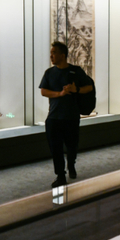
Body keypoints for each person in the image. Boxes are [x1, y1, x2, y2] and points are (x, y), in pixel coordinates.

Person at [39, 41, 94, 187]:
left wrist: (76, 90)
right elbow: (43, 91)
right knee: (55, 148)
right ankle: (60, 175)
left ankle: (71, 164)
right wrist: (60, 93)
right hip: (53, 117)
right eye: (50, 53)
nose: (51, 56)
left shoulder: (76, 71)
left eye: (54, 53)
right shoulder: (49, 73)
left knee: (72, 146)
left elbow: (89, 87)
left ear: (62, 55)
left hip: (71, 117)